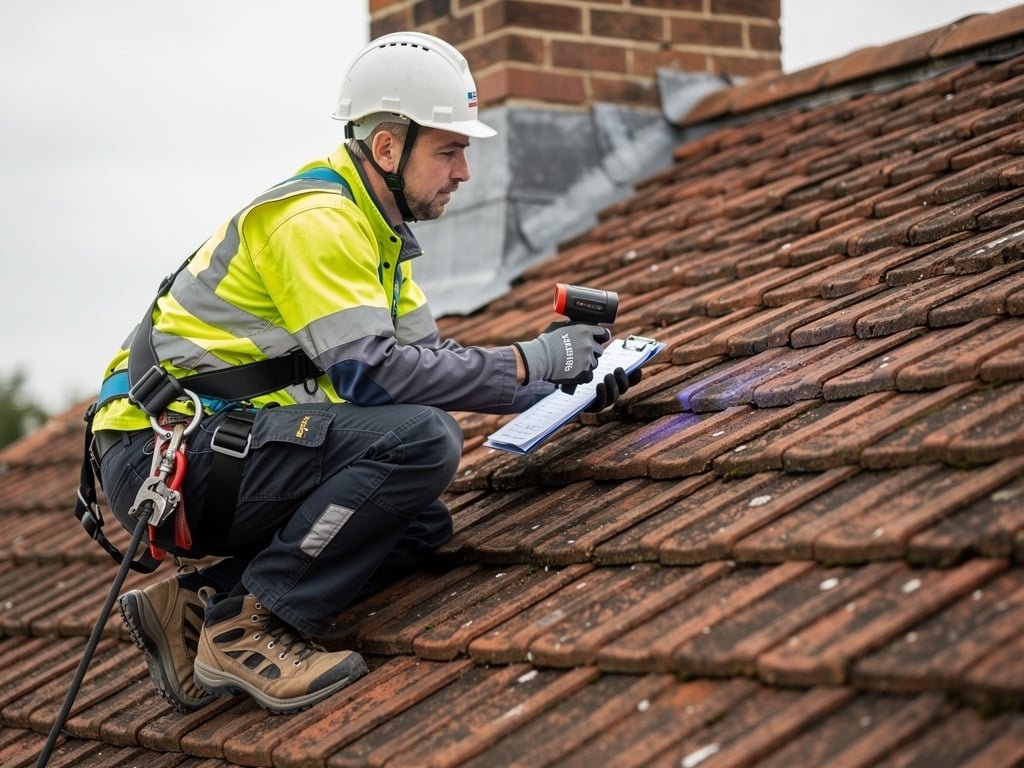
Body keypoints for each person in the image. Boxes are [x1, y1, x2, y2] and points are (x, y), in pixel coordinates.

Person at [89, 31, 638, 716]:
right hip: (168, 456)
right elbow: (372, 378)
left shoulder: (379, 239)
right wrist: (532, 358)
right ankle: (246, 626)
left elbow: (430, 366)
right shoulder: (318, 221)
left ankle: (196, 607)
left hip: (208, 451)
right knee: (421, 441)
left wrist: (568, 384)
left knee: (414, 523)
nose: (464, 171)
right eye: (450, 149)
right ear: (388, 147)